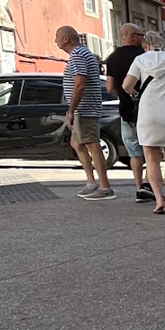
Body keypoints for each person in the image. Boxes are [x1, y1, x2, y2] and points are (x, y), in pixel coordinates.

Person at [123, 32, 165, 214]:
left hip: (148, 113)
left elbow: (126, 85)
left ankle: (158, 199)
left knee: (151, 160)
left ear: (146, 44)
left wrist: (137, 94)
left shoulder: (140, 60)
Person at [55, 25, 114, 200]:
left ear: (66, 39)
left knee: (91, 143)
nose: (55, 40)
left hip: (85, 108)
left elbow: (80, 83)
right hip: (84, 108)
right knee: (77, 143)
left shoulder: (78, 56)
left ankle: (105, 186)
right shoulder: (81, 55)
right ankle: (91, 182)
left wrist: (71, 110)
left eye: (57, 36)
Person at [104, 23, 154, 204]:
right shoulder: (144, 57)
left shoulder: (112, 58)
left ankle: (138, 187)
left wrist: (123, 96)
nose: (143, 38)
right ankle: (149, 186)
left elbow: (109, 87)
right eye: (141, 35)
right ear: (133, 37)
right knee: (151, 149)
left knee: (134, 153)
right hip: (147, 110)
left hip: (126, 110)